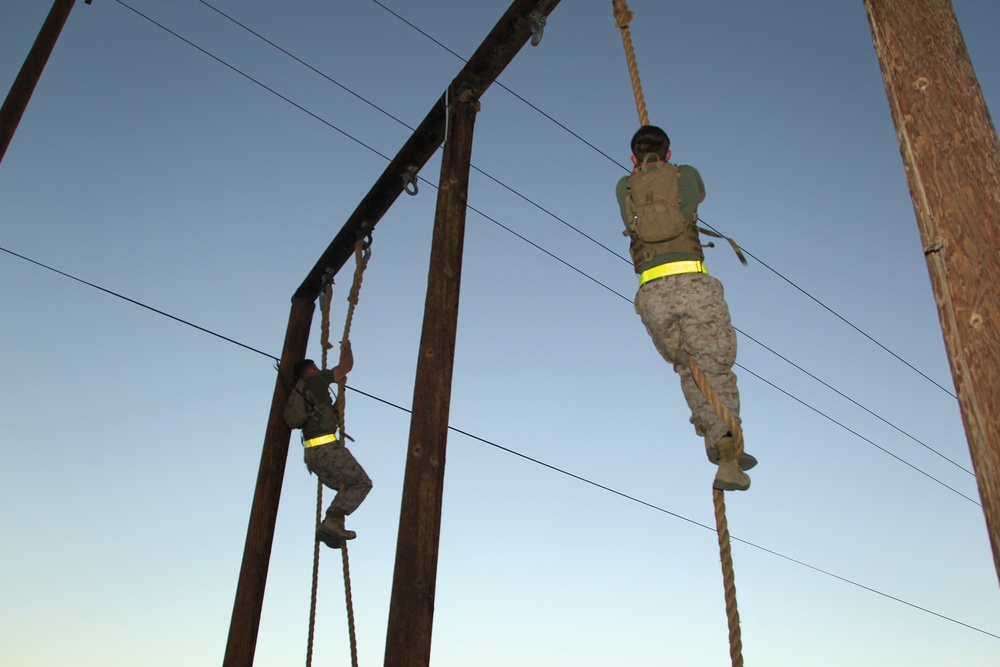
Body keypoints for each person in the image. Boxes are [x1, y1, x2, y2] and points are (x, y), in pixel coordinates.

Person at [615, 125, 756, 491]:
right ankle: (728, 450)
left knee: (688, 369)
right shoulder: (686, 174)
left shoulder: (623, 186)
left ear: (633, 158)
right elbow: (700, 196)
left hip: (652, 297)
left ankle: (715, 438)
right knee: (715, 367)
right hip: (693, 287)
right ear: (669, 153)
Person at [284, 342, 372, 547]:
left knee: (346, 487)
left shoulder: (302, 393)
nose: (317, 369)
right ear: (309, 370)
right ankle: (332, 522)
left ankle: (330, 529)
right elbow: (346, 366)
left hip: (312, 456)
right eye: (314, 367)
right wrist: (348, 349)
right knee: (362, 483)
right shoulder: (316, 381)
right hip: (327, 451)